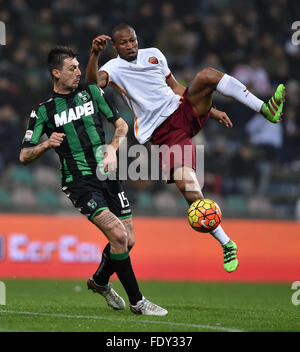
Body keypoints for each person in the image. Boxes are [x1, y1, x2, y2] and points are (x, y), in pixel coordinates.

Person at [85, 23, 286, 274]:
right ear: (114, 46)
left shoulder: (155, 54)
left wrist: (211, 112)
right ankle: (227, 243)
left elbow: (177, 88)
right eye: (123, 43)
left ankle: (265, 108)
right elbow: (92, 84)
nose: (130, 46)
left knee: (208, 75)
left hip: (183, 110)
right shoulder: (112, 68)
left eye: (133, 40)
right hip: (164, 134)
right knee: (191, 193)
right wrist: (94, 54)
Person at [19, 46, 168, 316]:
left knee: (128, 240)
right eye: (72, 68)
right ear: (56, 73)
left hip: (107, 174)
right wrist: (45, 145)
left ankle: (99, 281)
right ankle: (138, 302)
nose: (78, 72)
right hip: (79, 182)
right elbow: (24, 155)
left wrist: (112, 149)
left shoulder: (92, 92)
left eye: (78, 66)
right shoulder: (43, 111)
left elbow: (121, 125)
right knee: (118, 235)